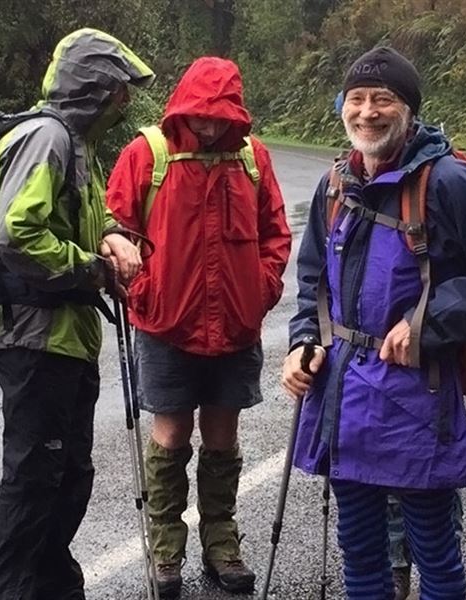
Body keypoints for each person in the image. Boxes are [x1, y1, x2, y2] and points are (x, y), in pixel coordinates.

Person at [281, 46, 466, 599]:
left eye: (383, 99)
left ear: (409, 109)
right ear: (342, 106)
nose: (368, 112)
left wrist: (429, 322)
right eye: (357, 99)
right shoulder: (335, 184)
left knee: (434, 550)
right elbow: (313, 281)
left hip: (415, 395)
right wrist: (304, 340)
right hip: (343, 393)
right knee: (360, 547)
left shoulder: (445, 181)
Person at [0, 28, 154, 600]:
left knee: (68, 476)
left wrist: (108, 237)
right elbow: (17, 233)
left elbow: (84, 212)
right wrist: (91, 270)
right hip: (34, 336)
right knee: (33, 481)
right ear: (93, 86)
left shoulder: (77, 143)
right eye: (118, 89)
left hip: (66, 337)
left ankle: (55, 587)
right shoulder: (47, 137)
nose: (124, 101)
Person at [105, 57, 291, 596]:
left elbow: (275, 233)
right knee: (170, 435)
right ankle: (166, 547)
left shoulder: (252, 158)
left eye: (219, 117)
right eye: (200, 116)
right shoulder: (149, 153)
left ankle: (221, 543)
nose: (209, 127)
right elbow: (116, 229)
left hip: (235, 326)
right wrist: (142, 289)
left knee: (223, 436)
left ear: (234, 113)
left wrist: (260, 291)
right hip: (166, 326)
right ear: (183, 106)